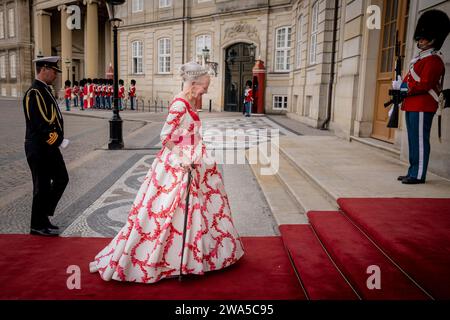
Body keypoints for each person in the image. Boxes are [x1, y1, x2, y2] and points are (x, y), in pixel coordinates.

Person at [89, 61, 244, 283]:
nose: (207, 90)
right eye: (205, 85)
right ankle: (169, 260)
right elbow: (166, 136)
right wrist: (184, 158)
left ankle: (194, 257)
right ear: (193, 84)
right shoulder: (180, 104)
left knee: (198, 210)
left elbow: (186, 133)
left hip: (195, 162)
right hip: (180, 165)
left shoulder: (189, 101)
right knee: (172, 211)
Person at [396, 10, 449, 184]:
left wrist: (406, 90)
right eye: (419, 38)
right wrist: (399, 87)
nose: (420, 40)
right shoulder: (420, 59)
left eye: (424, 38)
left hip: (423, 105)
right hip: (412, 104)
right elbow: (410, 80)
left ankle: (418, 174)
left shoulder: (434, 60)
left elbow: (425, 84)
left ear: (433, 38)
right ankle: (413, 170)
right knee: (413, 140)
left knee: (419, 140)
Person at [22, 56, 70, 236]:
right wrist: (58, 140)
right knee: (41, 185)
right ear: (44, 69)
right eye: (54, 71)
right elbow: (40, 124)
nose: (56, 75)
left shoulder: (45, 90)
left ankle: (43, 216)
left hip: (48, 147)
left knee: (61, 178)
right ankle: (37, 224)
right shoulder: (34, 93)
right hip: (39, 147)